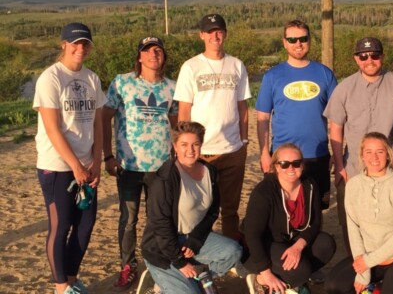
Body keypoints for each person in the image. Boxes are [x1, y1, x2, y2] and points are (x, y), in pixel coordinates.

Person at [34, 22, 106, 294]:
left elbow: (98, 123)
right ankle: (61, 286)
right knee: (61, 224)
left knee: (86, 224)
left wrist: (96, 162)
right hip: (57, 165)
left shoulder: (92, 78)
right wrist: (75, 165)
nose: (80, 48)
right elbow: (52, 128)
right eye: (75, 43)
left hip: (87, 166)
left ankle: (73, 279)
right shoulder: (51, 78)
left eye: (85, 43)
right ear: (63, 44)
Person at [103, 36, 178, 290]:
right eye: (147, 51)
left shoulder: (172, 87)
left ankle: (159, 266)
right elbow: (105, 118)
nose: (153, 54)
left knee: (159, 218)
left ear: (163, 56)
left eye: (158, 50)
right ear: (139, 57)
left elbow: (177, 125)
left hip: (162, 167)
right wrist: (107, 155)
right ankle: (128, 266)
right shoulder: (122, 83)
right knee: (129, 218)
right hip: (129, 165)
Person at [323, 36, 393, 254]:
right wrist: (339, 164)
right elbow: (336, 128)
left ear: (382, 57)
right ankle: (357, 266)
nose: (370, 60)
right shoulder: (344, 88)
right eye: (363, 56)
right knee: (351, 222)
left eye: (375, 55)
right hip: (353, 167)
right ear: (356, 59)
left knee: (390, 220)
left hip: (390, 166)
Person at [174, 13, 251, 240]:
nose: (214, 36)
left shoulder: (236, 65)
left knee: (230, 208)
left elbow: (242, 107)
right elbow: (184, 111)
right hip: (200, 152)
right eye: (209, 32)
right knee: (200, 208)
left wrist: (244, 141)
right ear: (201, 35)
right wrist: (184, 147)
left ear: (225, 34)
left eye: (219, 31)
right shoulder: (191, 67)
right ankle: (199, 253)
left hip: (232, 149)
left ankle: (230, 254)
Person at [141, 121, 242, 293]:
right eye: (184, 145)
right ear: (175, 147)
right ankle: (171, 280)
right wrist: (180, 262)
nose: (190, 150)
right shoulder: (164, 179)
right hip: (162, 248)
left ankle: (194, 279)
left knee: (233, 251)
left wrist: (195, 240)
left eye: (195, 144)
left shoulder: (209, 171)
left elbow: (212, 212)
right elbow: (160, 224)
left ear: (201, 145)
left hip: (192, 238)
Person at [256, 20, 337, 209]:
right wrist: (264, 154)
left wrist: (336, 152)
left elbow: (337, 118)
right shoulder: (272, 76)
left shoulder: (325, 74)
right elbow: (262, 118)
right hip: (283, 156)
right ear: (284, 42)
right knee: (283, 208)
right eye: (292, 39)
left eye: (303, 38)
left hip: (317, 154)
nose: (298, 43)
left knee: (316, 209)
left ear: (309, 40)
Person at [325, 132, 393, 294]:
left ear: (388, 155)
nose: (374, 157)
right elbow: (353, 229)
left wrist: (367, 262)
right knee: (334, 286)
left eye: (380, 152)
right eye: (368, 152)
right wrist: (364, 269)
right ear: (362, 155)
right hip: (367, 255)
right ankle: (374, 289)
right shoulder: (353, 185)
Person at [242, 143, 336, 294]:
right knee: (302, 270)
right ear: (277, 167)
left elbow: (316, 222)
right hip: (265, 245)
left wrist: (298, 247)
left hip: (292, 240)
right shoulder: (264, 193)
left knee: (326, 244)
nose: (291, 168)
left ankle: (291, 280)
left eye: (296, 163)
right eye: (284, 164)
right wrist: (266, 273)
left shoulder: (309, 185)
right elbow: (253, 236)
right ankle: (259, 280)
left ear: (302, 165)